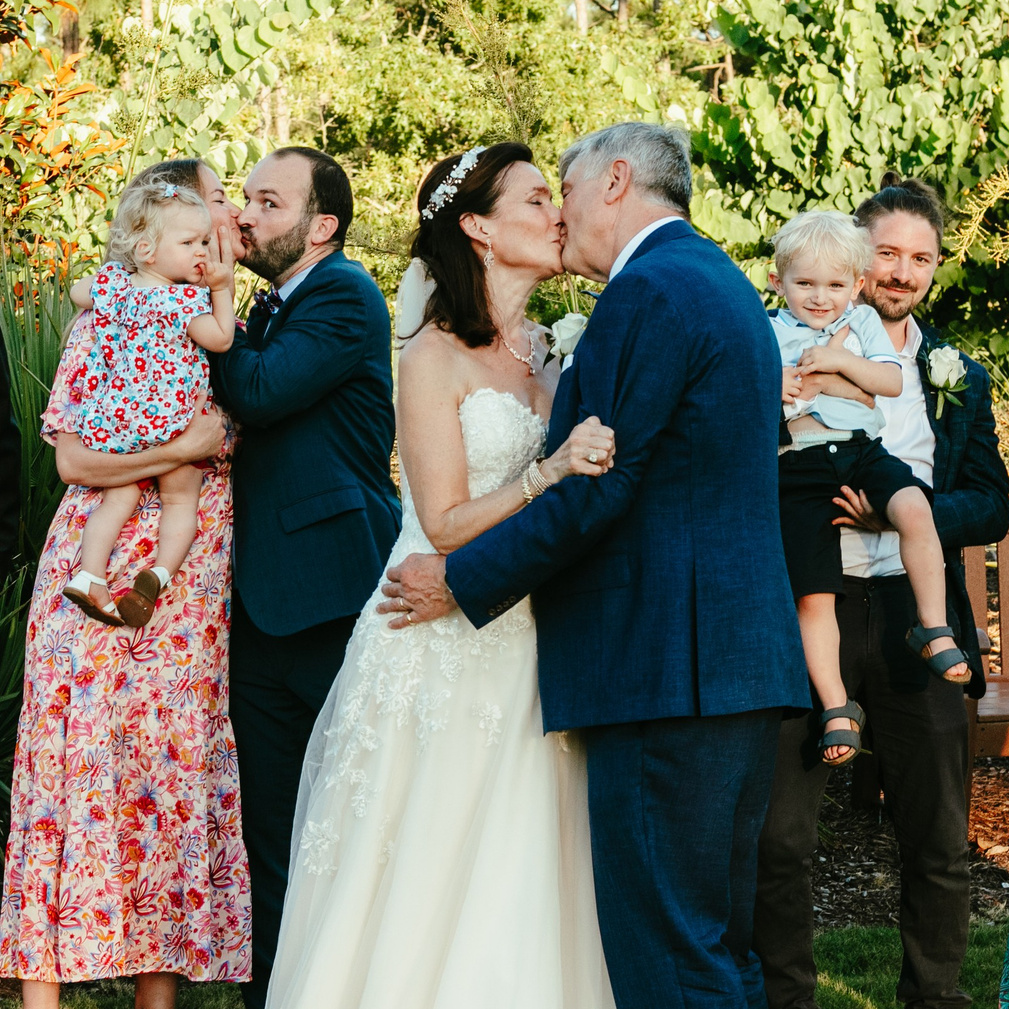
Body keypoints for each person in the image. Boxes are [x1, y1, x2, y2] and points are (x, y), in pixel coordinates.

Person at [378, 122, 811, 1009]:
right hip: (721, 665)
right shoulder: (711, 278)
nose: (560, 213)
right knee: (713, 946)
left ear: (614, 182)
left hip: (667, 670)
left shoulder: (646, 292)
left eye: (564, 190)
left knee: (670, 958)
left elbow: (602, 487)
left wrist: (459, 581)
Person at [265, 141, 617, 1009]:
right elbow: (445, 517)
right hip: (433, 635)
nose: (557, 212)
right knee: (426, 854)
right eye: (534, 199)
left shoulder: (551, 351)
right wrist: (548, 471)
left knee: (522, 856)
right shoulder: (430, 355)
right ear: (478, 229)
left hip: (530, 631)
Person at [0, 159, 251, 1009]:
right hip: (95, 554)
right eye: (212, 203)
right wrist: (180, 450)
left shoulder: (212, 315)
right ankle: (44, 988)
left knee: (167, 762)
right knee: (66, 755)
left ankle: (158, 994)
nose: (223, 220)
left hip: (186, 573)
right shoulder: (106, 316)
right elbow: (73, 459)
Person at [754, 175, 1009, 1009]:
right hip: (809, 605)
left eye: (920, 258)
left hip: (910, 613)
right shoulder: (790, 344)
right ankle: (784, 998)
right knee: (780, 837)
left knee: (936, 836)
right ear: (860, 260)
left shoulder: (954, 373)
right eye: (888, 253)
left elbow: (993, 499)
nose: (902, 271)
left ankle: (932, 997)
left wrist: (909, 510)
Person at [208, 146, 402, 1009]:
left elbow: (257, 390)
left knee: (340, 820)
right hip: (260, 602)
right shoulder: (272, 300)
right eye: (244, 197)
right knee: (271, 827)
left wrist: (214, 294)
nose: (244, 215)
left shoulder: (344, 295)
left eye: (268, 202)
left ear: (321, 225)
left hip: (331, 594)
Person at [770, 210, 968, 766]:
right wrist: (774, 380)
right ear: (778, 282)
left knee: (914, 505)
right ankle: (837, 706)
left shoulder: (860, 325)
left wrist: (837, 362)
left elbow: (890, 380)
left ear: (854, 286)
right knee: (812, 592)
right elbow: (744, 389)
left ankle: (933, 627)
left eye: (835, 285)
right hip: (801, 467)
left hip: (860, 453)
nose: (820, 297)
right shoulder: (766, 329)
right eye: (806, 284)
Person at [63, 180, 235, 627]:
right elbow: (221, 338)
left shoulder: (115, 287)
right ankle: (158, 573)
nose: (201, 252)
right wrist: (222, 287)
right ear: (147, 249)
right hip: (173, 421)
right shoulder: (183, 300)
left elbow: (78, 293)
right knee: (181, 501)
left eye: (203, 242)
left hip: (117, 421)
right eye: (189, 243)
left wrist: (115, 277)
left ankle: (89, 574)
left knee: (117, 498)